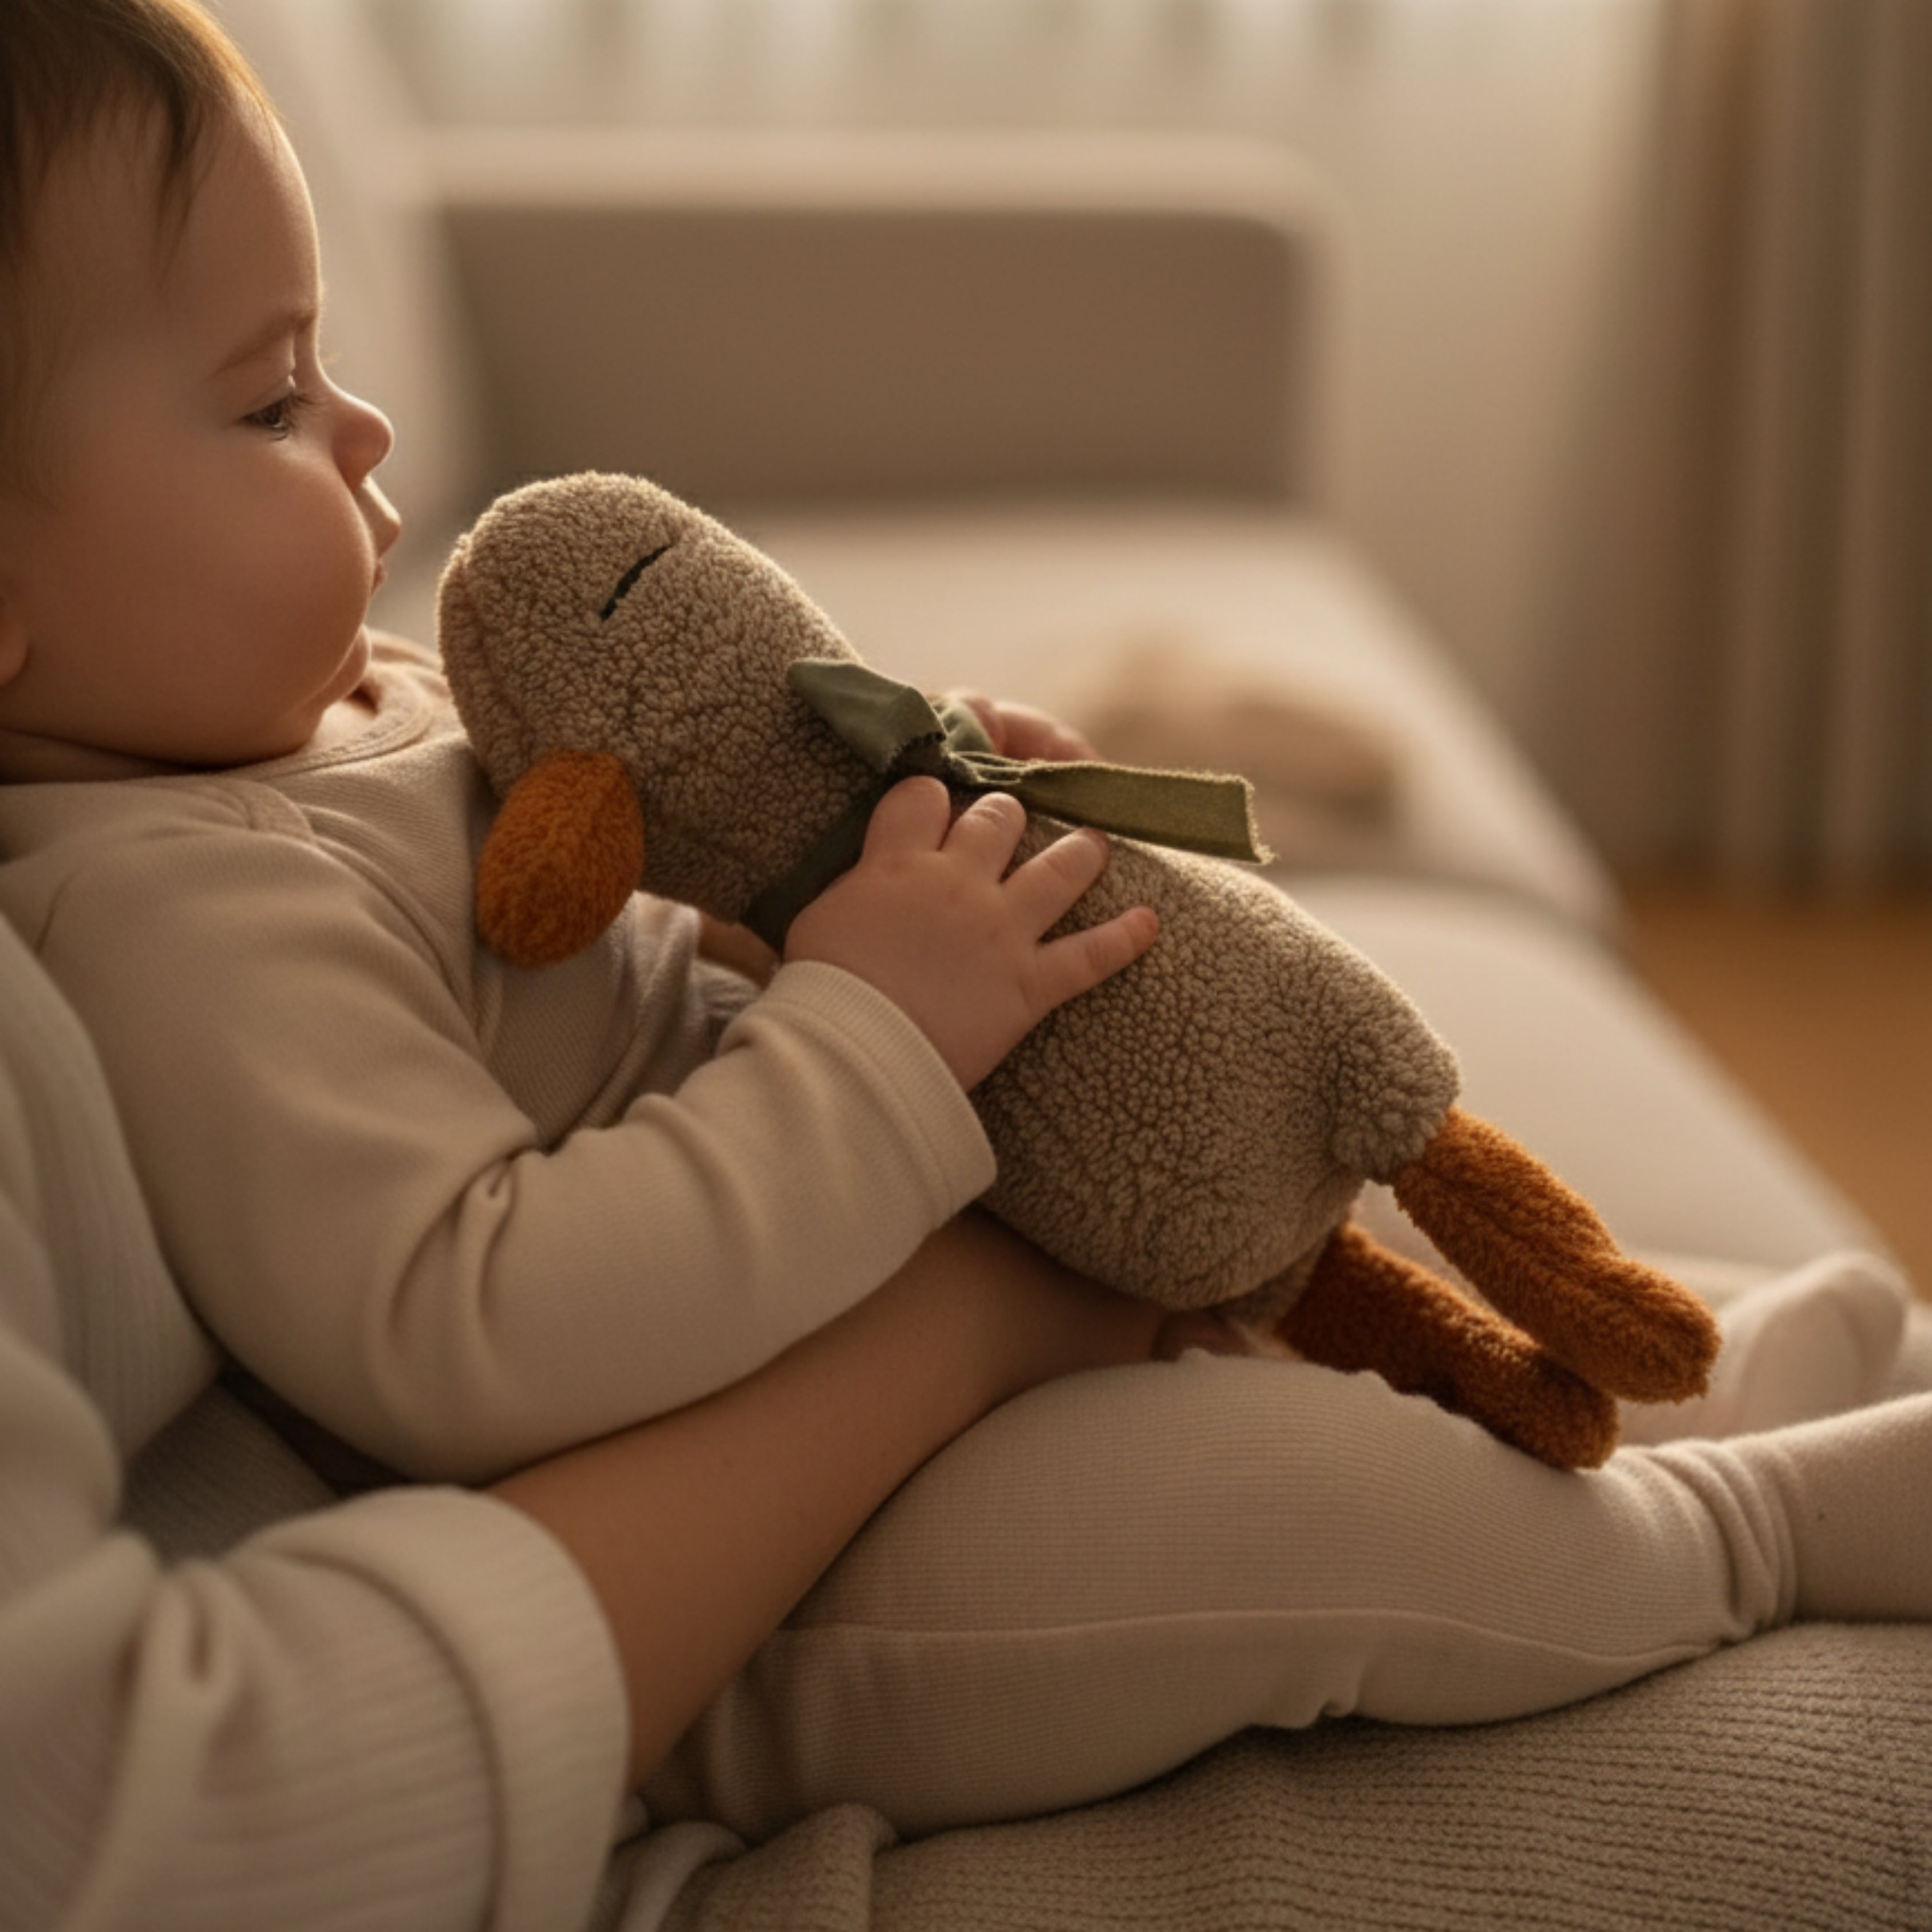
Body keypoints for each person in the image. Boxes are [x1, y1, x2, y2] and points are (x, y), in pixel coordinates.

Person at [0, 2, 1927, 1925]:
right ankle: (1745, 1535)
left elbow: (628, 918)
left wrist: (875, 844)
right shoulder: (175, 919)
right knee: (1298, 1518)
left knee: (1323, 1250)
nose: (364, 428)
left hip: (859, 1305)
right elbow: (465, 1324)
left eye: (326, 363)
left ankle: (1765, 1360)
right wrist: (870, 1031)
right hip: (789, 1578)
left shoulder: (327, 713)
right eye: (266, 405)